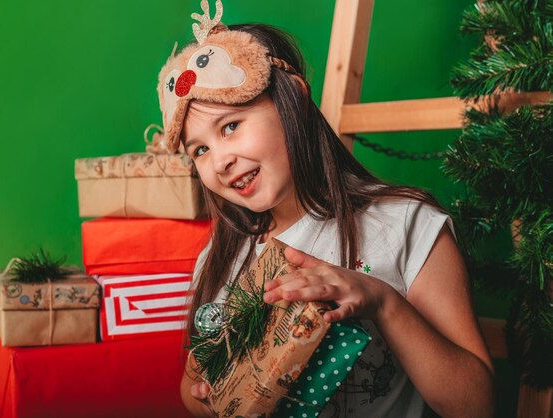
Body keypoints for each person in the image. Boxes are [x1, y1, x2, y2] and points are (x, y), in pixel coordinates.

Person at [156, 1, 494, 417]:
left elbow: (477, 405)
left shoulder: (405, 222)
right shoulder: (218, 258)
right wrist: (201, 394)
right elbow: (194, 389)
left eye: (231, 126)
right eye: (201, 150)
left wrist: (383, 303)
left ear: (293, 99)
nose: (220, 160)